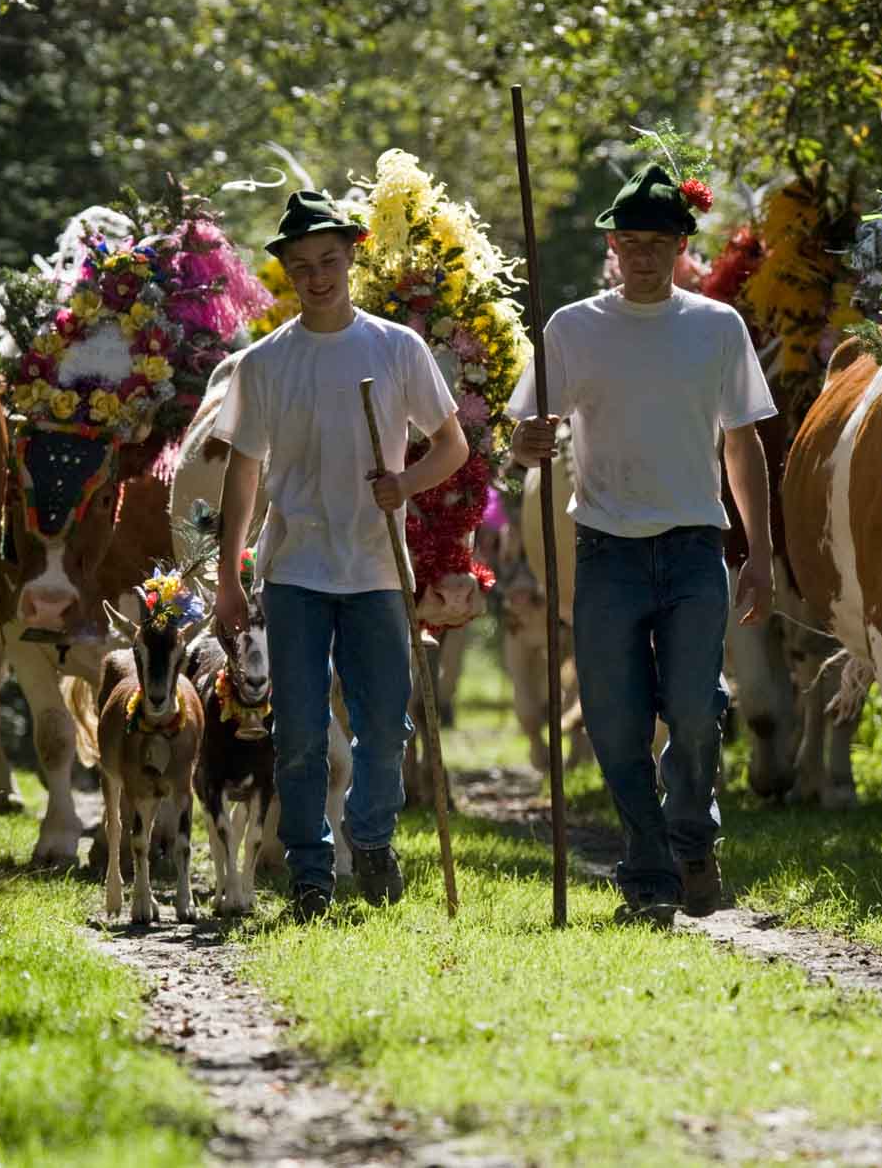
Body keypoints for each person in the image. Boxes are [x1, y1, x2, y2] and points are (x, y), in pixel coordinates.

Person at [511, 162, 775, 927]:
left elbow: (743, 442)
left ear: (682, 245)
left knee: (695, 710)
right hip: (605, 548)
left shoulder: (716, 328)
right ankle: (649, 869)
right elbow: (530, 435)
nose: (642, 256)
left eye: (657, 242)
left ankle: (693, 838)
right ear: (612, 248)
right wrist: (528, 439)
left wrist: (757, 552)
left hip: (695, 545)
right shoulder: (572, 328)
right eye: (628, 241)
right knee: (615, 723)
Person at [214, 189, 469, 921]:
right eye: (301, 265)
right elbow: (243, 471)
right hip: (294, 567)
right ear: (286, 272)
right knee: (296, 729)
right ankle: (311, 870)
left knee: (385, 722)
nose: (317, 276)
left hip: (377, 568)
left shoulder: (396, 348)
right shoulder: (265, 363)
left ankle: (373, 837)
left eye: (328, 260)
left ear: (351, 256)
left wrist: (405, 483)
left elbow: (450, 445)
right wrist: (231, 577)